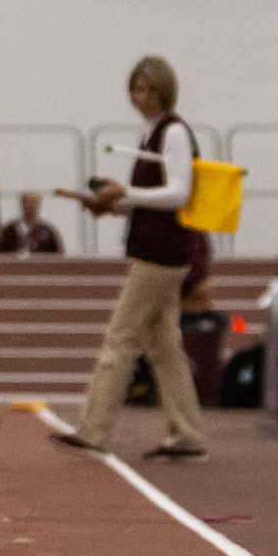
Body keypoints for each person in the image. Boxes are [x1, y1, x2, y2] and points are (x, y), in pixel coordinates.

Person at [53, 57, 208, 460]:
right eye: (136, 89)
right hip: (160, 249)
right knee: (165, 347)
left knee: (120, 339)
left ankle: (94, 428)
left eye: (147, 89)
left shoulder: (172, 132)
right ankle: (188, 433)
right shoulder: (152, 132)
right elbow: (153, 201)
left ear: (164, 91)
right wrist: (112, 205)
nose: (140, 97)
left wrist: (124, 194)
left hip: (160, 254)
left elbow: (179, 195)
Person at [0, 190, 63, 256]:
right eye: (27, 203)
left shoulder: (48, 233)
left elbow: (58, 255)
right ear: (21, 204)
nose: (30, 206)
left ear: (38, 205)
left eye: (33, 204)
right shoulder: (9, 230)